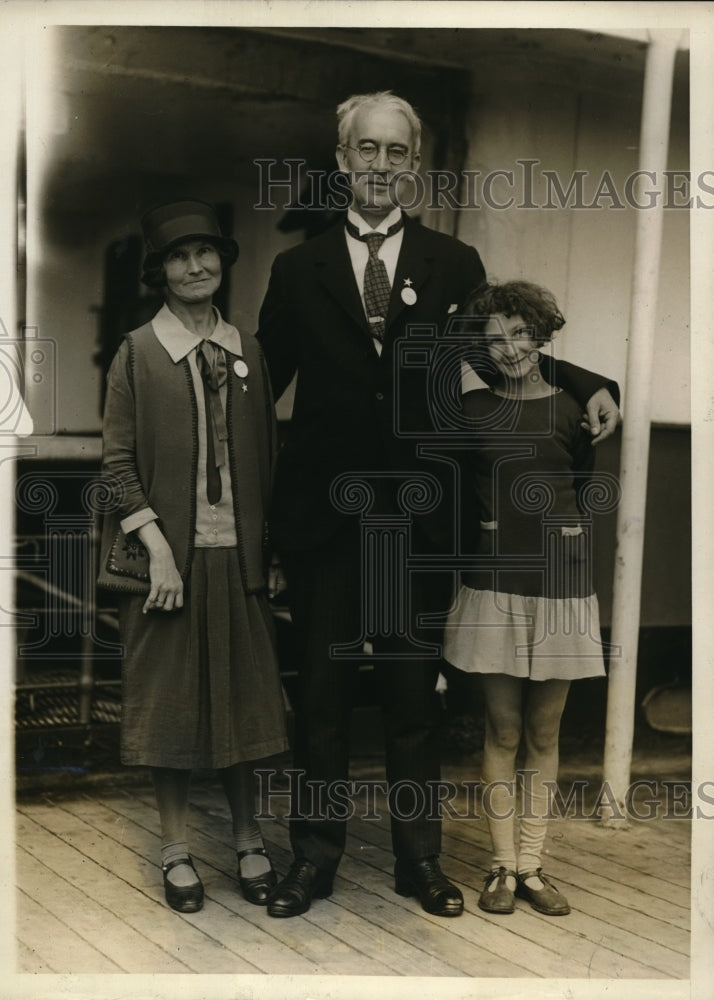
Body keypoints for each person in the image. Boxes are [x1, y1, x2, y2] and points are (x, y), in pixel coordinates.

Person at [257, 91, 619, 919]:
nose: (380, 166)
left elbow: (507, 359)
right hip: (327, 525)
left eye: (396, 152)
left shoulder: (454, 265)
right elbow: (259, 388)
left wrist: (594, 384)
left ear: (411, 165)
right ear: (341, 159)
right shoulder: (296, 268)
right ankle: (314, 858)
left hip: (417, 528)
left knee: (414, 706)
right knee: (321, 701)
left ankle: (419, 861)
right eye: (366, 150)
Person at [98, 199, 288, 913]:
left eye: (207, 251)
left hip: (236, 566)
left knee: (242, 710)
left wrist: (268, 556)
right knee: (171, 711)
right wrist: (160, 553)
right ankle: (176, 850)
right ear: (160, 272)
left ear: (223, 261)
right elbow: (117, 465)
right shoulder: (136, 353)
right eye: (180, 255)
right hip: (165, 569)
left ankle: (247, 840)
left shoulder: (249, 352)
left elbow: (267, 461)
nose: (197, 265)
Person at [443, 281, 609, 916]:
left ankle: (535, 866)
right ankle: (501, 868)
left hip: (562, 587)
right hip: (494, 584)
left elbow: (580, 485)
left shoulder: (575, 411)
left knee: (545, 729)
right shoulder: (473, 407)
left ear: (542, 335)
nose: (510, 347)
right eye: (495, 338)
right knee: (503, 728)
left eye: (520, 333)